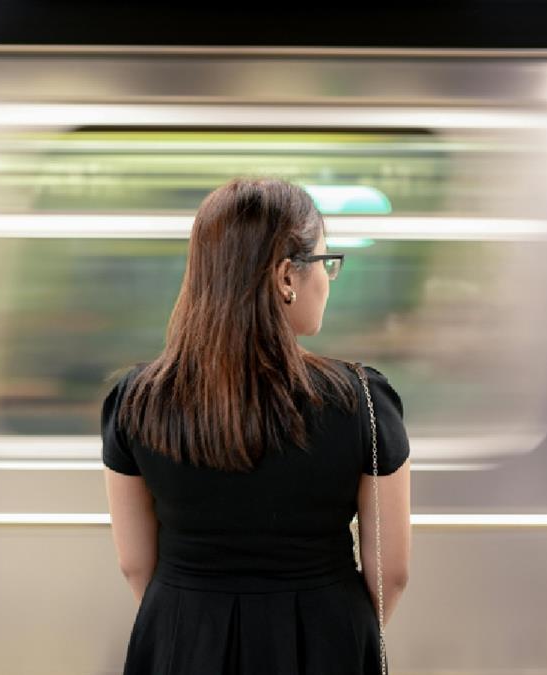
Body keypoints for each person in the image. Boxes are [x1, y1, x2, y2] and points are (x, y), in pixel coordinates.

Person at [101, 177, 412, 674]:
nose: (328, 279)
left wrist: (192, 625)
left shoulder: (137, 400)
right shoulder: (362, 401)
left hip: (183, 639)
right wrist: (334, 633)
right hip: (324, 640)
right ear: (287, 276)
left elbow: (134, 564)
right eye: (326, 262)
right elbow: (391, 571)